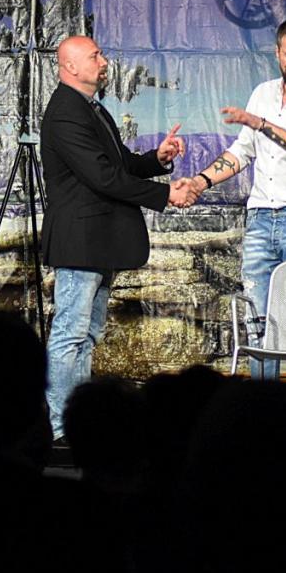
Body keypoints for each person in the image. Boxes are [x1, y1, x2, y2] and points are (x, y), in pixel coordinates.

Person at [178, 16, 286, 380]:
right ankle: (263, 403)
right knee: (258, 320)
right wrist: (201, 181)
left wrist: (261, 124)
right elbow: (242, 152)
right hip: (260, 218)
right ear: (277, 52)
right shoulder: (263, 94)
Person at [41, 35, 189, 440]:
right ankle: (59, 427)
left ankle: (75, 423)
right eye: (95, 56)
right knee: (70, 333)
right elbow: (103, 177)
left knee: (87, 335)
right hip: (80, 241)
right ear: (71, 66)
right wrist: (165, 194)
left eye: (101, 55)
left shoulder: (90, 108)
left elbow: (120, 164)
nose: (103, 61)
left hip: (98, 241)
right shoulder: (65, 112)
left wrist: (157, 159)